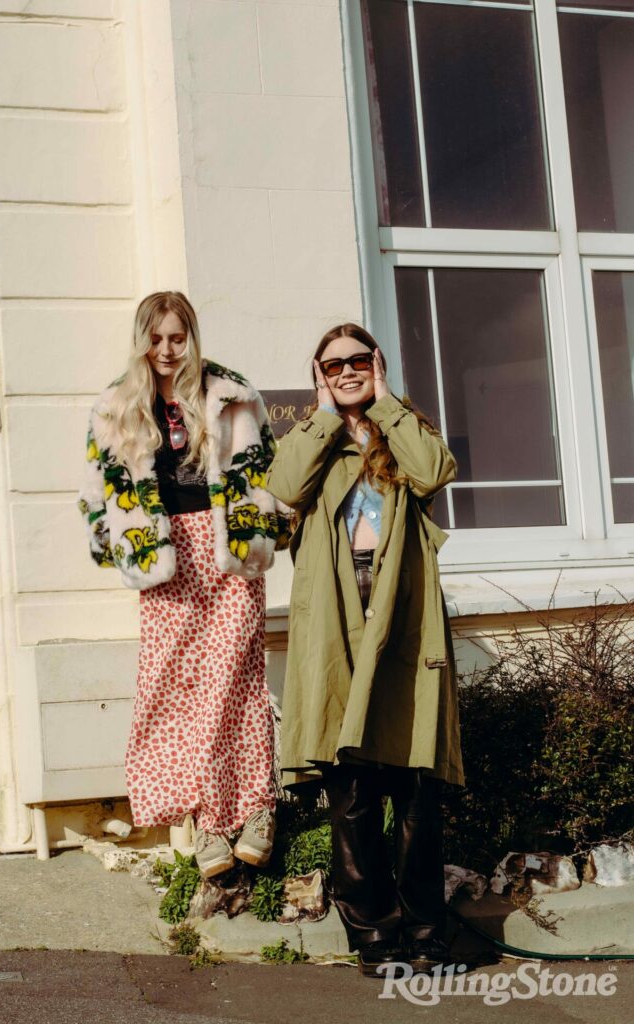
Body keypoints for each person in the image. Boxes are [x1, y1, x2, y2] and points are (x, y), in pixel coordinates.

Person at [265, 324, 464, 977]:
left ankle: (427, 933)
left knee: (414, 792)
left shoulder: (404, 428)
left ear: (375, 363)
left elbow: (434, 472)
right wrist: (325, 413)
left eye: (358, 360)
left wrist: (383, 402)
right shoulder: (311, 440)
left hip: (402, 630)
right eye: (333, 364)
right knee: (350, 798)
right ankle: (375, 938)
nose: (346, 370)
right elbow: (284, 487)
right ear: (318, 372)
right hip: (336, 633)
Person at [78, 291, 289, 878]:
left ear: (192, 337)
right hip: (165, 555)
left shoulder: (232, 395)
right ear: (141, 338)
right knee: (173, 683)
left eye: (177, 337)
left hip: (226, 549)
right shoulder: (117, 405)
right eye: (156, 337)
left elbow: (265, 472)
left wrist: (268, 528)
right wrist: (117, 543)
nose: (166, 349)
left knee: (236, 677)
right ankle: (203, 815)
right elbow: (97, 493)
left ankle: (253, 810)